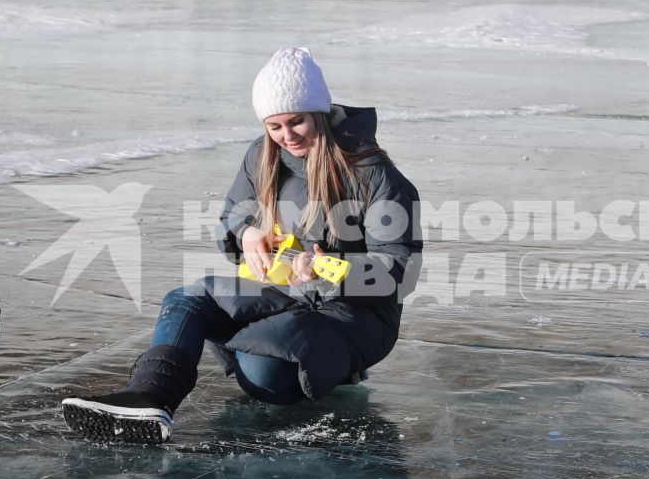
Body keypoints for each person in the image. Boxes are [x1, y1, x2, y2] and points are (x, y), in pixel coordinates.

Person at [62, 47, 420, 443]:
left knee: (260, 377)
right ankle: (150, 397)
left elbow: (398, 269)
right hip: (280, 291)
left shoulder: (374, 174)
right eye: (274, 126)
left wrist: (324, 268)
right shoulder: (262, 155)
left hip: (350, 313)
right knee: (187, 300)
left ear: (318, 111)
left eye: (297, 121)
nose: (287, 136)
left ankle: (332, 367)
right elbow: (234, 216)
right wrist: (247, 232)